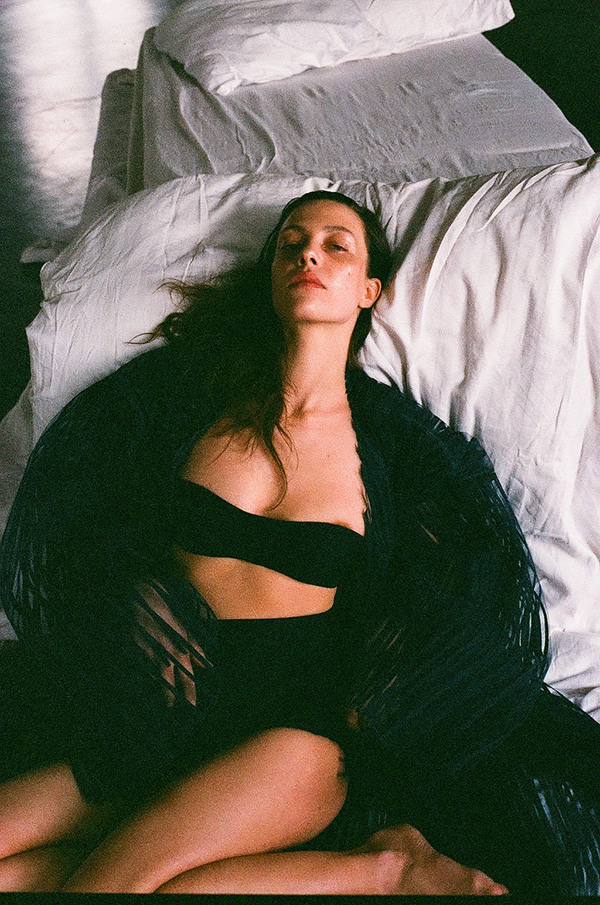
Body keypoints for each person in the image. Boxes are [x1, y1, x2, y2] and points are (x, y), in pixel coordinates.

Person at [0, 190, 600, 895]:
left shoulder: (399, 447)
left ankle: (382, 867)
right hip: (152, 717)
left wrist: (371, 700)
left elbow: (475, 590)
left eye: (335, 245)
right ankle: (381, 868)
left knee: (107, 884)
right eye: (291, 243)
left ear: (369, 290)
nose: (309, 254)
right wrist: (145, 607)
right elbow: (79, 513)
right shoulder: (178, 398)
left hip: (288, 734)